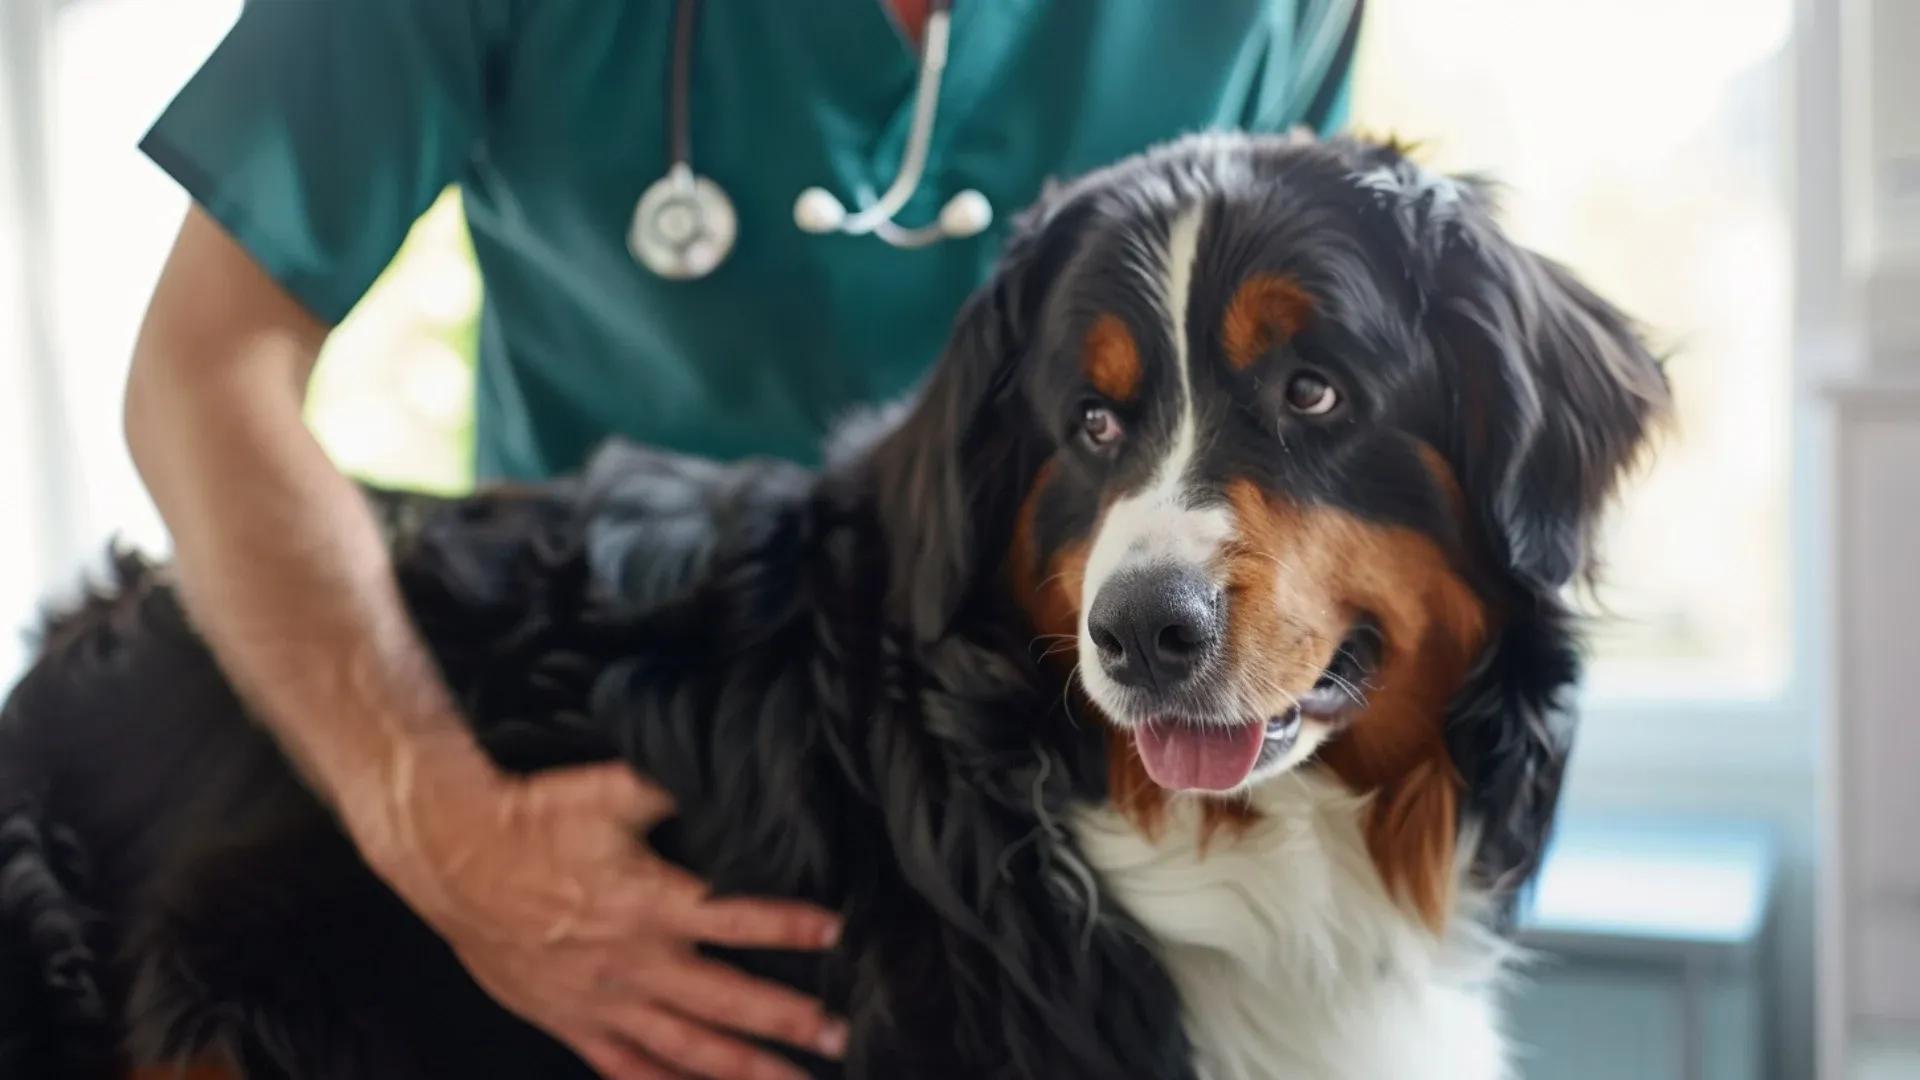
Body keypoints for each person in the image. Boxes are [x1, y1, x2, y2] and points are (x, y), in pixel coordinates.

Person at [124, 2, 1362, 1077]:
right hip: (592, 736)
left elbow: (1328, 385)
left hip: (1044, 785)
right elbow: (202, 369)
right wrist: (435, 821)